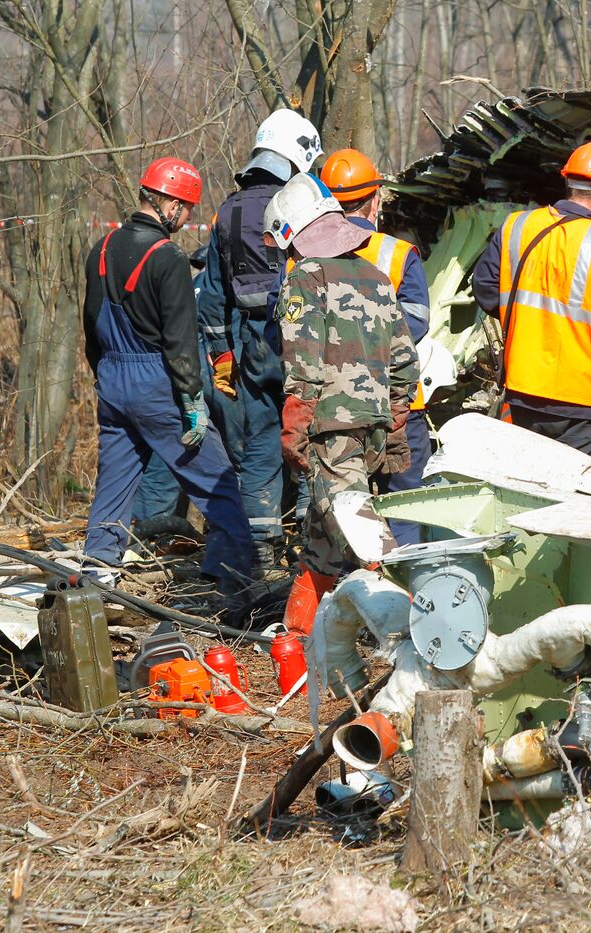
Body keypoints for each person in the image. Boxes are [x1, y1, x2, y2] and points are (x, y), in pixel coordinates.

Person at [81, 158, 252, 588]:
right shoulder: (169, 257)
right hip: (158, 384)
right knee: (217, 482)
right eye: (188, 207)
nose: (189, 217)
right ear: (170, 204)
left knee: (115, 487)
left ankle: (96, 579)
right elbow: (179, 339)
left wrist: (105, 377)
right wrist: (192, 401)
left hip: (112, 380)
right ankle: (234, 580)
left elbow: (90, 326)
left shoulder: (100, 249)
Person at [265, 174, 417, 635]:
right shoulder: (376, 277)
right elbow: (406, 365)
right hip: (371, 429)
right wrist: (392, 425)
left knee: (367, 542)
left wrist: (294, 429)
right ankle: (298, 640)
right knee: (323, 541)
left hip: (329, 431)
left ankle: (416, 637)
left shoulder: (304, 279)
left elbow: (302, 363)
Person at [194, 109, 323, 569]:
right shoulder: (303, 202)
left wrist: (221, 355)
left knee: (261, 445)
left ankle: (263, 557)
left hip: (251, 346)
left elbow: (211, 296)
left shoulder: (227, 210)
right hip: (301, 338)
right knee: (311, 435)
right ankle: (312, 548)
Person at [470, 142, 591, 461]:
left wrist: (525, 323)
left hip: (522, 392)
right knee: (576, 500)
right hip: (581, 403)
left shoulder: (516, 226)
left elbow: (484, 288)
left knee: (528, 494)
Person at [321, 148, 433, 545]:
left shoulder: (301, 255)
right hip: (398, 404)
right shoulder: (399, 254)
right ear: (375, 199)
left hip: (332, 405)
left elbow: (287, 331)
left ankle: (348, 590)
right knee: (403, 503)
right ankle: (400, 593)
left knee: (340, 507)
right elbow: (416, 322)